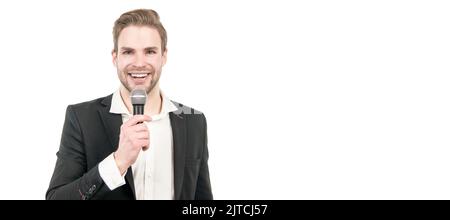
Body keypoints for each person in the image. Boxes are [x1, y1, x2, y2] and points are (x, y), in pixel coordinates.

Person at [46, 9, 213, 200]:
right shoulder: (82, 118)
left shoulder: (194, 121)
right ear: (115, 57)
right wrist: (118, 162)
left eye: (150, 51)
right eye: (128, 52)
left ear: (164, 56)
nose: (139, 63)